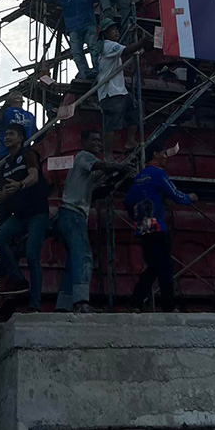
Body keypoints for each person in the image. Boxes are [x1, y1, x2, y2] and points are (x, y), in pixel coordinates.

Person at [0, 122, 49, 311]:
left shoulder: (28, 155)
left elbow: (34, 176)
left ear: (21, 138)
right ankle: (18, 279)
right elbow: (3, 194)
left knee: (32, 256)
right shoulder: (5, 165)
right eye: (6, 134)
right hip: (20, 215)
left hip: (38, 213)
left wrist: (20, 185)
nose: (7, 137)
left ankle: (35, 304)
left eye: (11, 134)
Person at [55, 129, 131, 312]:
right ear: (83, 142)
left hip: (66, 215)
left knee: (72, 261)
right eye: (94, 139)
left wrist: (116, 175)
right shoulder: (83, 156)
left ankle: (63, 305)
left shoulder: (84, 171)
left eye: (99, 139)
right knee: (83, 256)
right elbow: (103, 167)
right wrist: (121, 166)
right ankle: (81, 303)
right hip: (73, 214)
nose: (98, 142)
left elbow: (98, 185)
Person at [123, 138, 198, 312]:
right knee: (164, 266)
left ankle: (137, 301)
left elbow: (128, 200)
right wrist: (190, 198)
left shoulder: (139, 177)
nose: (166, 156)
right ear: (155, 154)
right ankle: (167, 306)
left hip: (143, 226)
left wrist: (135, 217)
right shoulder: (158, 174)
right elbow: (175, 194)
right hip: (156, 225)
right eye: (164, 152)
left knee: (155, 266)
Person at [96, 20, 153, 159]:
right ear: (105, 33)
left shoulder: (111, 46)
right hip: (110, 92)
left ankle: (130, 141)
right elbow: (127, 51)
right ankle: (108, 154)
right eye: (113, 30)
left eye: (117, 29)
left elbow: (131, 51)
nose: (116, 32)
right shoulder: (106, 45)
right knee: (112, 124)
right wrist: (141, 42)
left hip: (120, 90)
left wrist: (143, 45)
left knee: (135, 108)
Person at [26, 0, 99, 80]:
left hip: (88, 25)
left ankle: (97, 69)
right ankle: (85, 73)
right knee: (77, 52)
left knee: (93, 47)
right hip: (74, 28)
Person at [0, 90, 38, 222]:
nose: (18, 96)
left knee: (22, 190)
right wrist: (5, 104)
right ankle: (3, 223)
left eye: (19, 95)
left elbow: (36, 134)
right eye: (14, 95)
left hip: (23, 156)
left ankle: (20, 224)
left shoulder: (30, 115)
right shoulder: (4, 111)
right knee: (4, 191)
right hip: (4, 156)